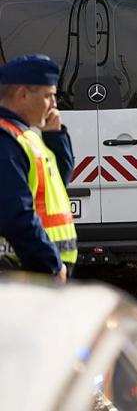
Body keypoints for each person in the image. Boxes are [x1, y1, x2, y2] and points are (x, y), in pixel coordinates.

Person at [0, 55, 75, 283]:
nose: (54, 104)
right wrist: (50, 264)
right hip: (24, 271)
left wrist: (55, 135)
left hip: (32, 270)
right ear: (23, 94)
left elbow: (58, 183)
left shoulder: (24, 135)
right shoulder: (5, 140)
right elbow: (15, 213)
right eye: (48, 96)